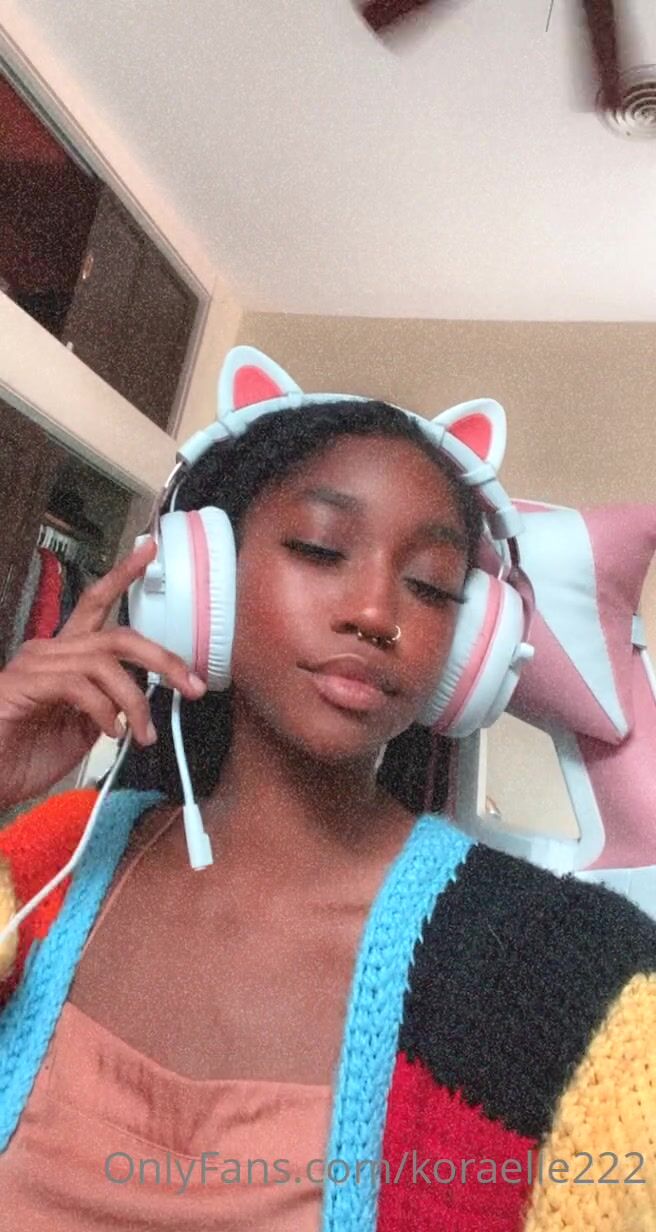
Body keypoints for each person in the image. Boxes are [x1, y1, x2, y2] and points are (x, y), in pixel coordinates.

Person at [0, 389, 654, 1232]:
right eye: (320, 548)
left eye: (429, 586)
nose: (376, 614)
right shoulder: (57, 859)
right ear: (203, 576)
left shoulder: (569, 978)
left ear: (473, 648)